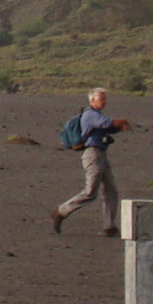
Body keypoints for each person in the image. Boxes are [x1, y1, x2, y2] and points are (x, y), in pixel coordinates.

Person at [52, 87, 131, 235]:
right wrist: (122, 122)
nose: (105, 102)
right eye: (102, 99)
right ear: (93, 100)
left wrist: (118, 127)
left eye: (105, 99)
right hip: (92, 155)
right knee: (90, 192)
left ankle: (109, 226)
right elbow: (108, 124)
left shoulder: (97, 115)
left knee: (111, 191)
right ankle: (61, 211)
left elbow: (109, 128)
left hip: (101, 154)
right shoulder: (90, 115)